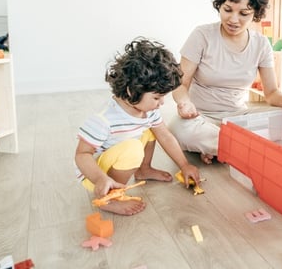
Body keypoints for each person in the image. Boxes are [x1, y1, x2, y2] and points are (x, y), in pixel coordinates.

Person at [169, 0, 282, 164]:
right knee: (181, 129)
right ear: (220, 6)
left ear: (256, 13)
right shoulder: (202, 36)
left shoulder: (261, 44)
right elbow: (180, 85)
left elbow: (272, 93)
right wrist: (184, 103)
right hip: (201, 118)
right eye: (227, 10)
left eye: (244, 13)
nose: (233, 20)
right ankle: (242, 149)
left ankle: (221, 148)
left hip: (240, 120)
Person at [75, 37, 201, 216]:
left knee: (152, 130)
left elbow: (164, 135)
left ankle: (144, 169)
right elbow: (81, 155)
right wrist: (100, 179)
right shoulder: (104, 120)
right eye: (157, 98)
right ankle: (111, 197)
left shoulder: (148, 111)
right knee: (133, 148)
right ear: (132, 91)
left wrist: (184, 165)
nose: (161, 103)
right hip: (96, 175)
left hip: (118, 158)